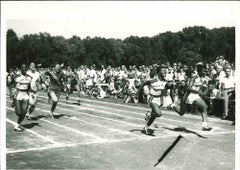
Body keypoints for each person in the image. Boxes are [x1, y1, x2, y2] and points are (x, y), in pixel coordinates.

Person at [171, 62, 212, 131]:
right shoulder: (194, 77)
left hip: (195, 96)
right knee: (181, 113)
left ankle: (204, 125)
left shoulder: (204, 78)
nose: (203, 70)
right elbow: (188, 88)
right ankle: (174, 107)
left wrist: (207, 90)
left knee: (204, 107)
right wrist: (198, 92)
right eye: (200, 68)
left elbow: (204, 88)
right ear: (198, 69)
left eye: (203, 68)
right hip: (188, 96)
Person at [143, 66, 168, 135]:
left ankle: (146, 127)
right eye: (163, 70)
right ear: (158, 72)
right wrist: (137, 93)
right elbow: (144, 84)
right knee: (158, 113)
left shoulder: (165, 81)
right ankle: (149, 114)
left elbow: (164, 90)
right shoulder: (153, 80)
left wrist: (163, 101)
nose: (165, 71)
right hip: (152, 98)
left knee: (155, 115)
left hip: (159, 99)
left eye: (165, 70)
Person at [13, 64, 32, 131]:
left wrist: (31, 93)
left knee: (24, 112)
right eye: (23, 68)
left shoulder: (29, 77)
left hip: (25, 94)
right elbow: (11, 84)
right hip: (18, 93)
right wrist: (11, 93)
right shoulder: (17, 77)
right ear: (21, 69)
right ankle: (15, 106)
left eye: (25, 68)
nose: (24, 69)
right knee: (18, 113)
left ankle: (17, 125)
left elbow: (29, 87)